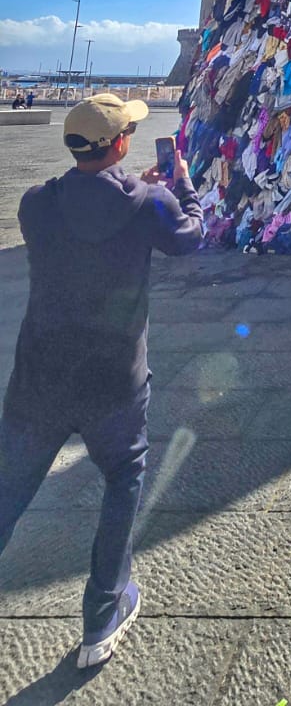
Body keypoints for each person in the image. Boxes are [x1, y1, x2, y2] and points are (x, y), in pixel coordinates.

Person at [0, 93, 203, 669]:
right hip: (114, 380)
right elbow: (189, 236)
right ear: (120, 144)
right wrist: (176, 185)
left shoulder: (35, 205)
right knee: (123, 478)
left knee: (7, 490)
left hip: (38, 377)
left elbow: (88, 217)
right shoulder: (147, 203)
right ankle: (102, 613)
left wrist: (127, 188)